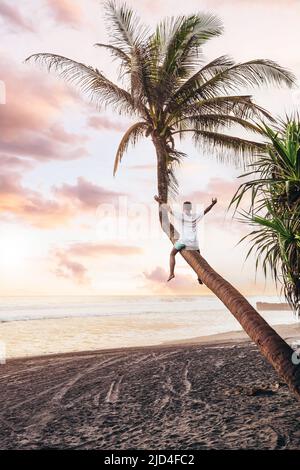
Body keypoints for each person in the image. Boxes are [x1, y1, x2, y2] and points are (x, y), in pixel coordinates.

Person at [154, 196, 217, 282]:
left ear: (183, 208)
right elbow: (206, 211)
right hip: (194, 244)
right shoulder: (195, 216)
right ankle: (199, 276)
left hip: (183, 242)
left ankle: (171, 273)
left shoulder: (180, 215)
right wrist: (213, 204)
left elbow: (169, 209)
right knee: (199, 260)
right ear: (190, 208)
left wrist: (159, 200)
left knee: (172, 254)